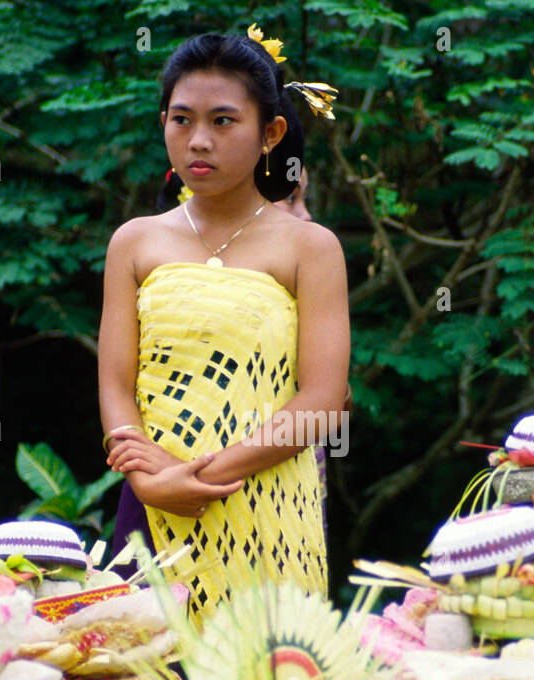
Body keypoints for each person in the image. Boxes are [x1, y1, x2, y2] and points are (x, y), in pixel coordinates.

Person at [99, 27, 349, 622]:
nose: (199, 141)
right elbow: (115, 385)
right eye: (181, 120)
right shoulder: (134, 241)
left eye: (223, 121)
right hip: (149, 502)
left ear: (271, 134)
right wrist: (149, 479)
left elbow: (322, 399)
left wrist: (202, 477)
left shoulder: (311, 248)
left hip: (261, 504)